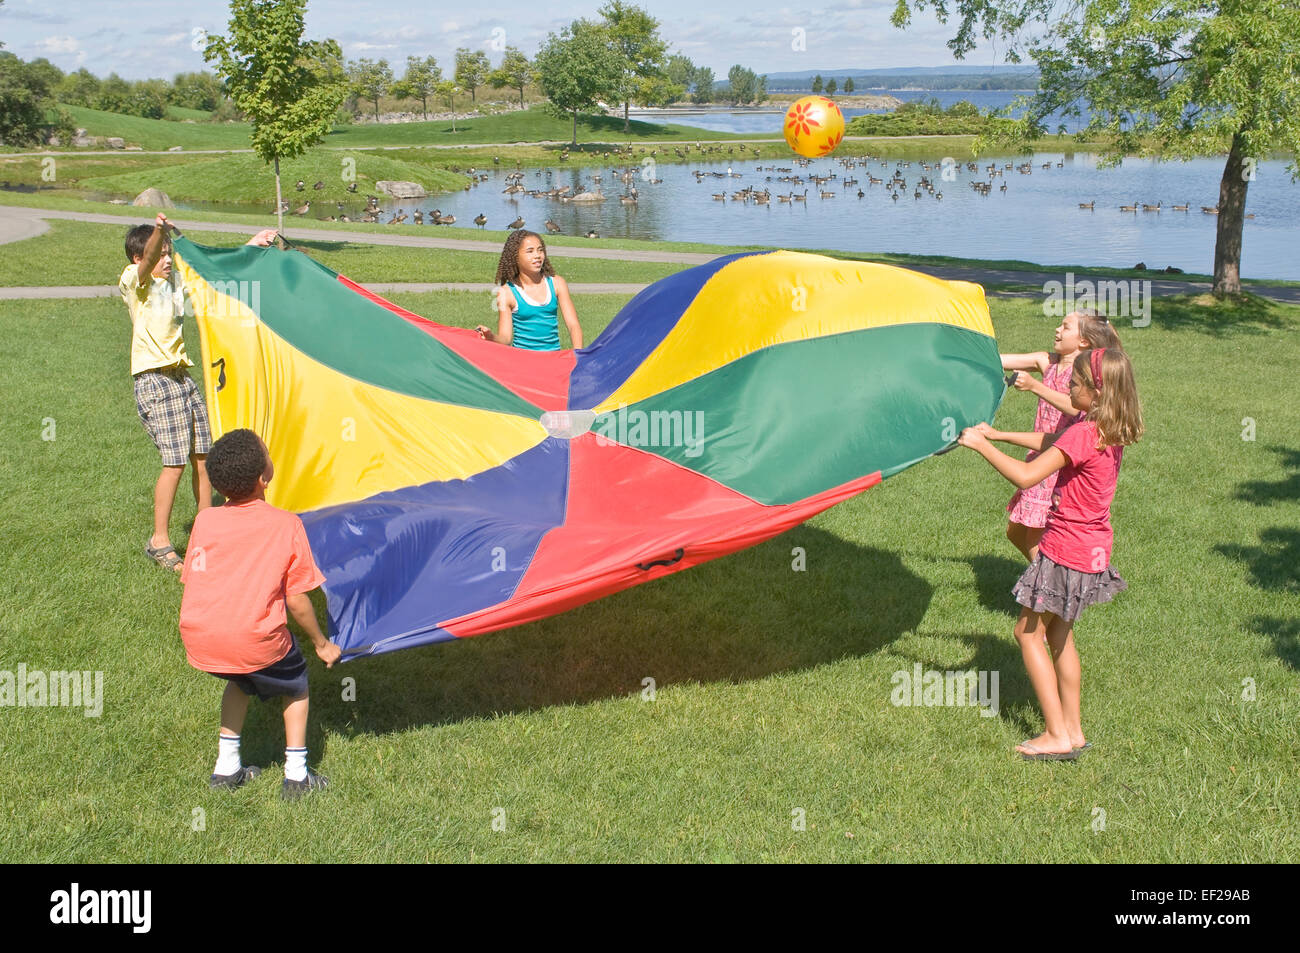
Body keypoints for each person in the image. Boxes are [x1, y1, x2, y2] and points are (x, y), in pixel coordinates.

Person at [958, 348, 1143, 760]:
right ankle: (1073, 731)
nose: (1068, 388)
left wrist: (978, 446)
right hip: (1092, 548)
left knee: (1026, 634)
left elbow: (1026, 474)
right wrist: (999, 435)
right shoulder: (1105, 427)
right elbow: (1051, 442)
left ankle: (1056, 733)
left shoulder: (1082, 432)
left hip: (1065, 549)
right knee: (1059, 635)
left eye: (1074, 384)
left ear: (1095, 393)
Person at [179, 428, 341, 799]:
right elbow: (298, 600)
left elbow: (197, 578)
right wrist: (321, 644)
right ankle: (298, 776)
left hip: (202, 638)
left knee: (240, 680)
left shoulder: (205, 521)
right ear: (263, 476)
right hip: (253, 640)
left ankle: (226, 769)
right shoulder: (286, 525)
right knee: (296, 685)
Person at [121, 214, 277, 572]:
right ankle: (159, 542)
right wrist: (159, 231)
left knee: (204, 458)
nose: (165, 258)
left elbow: (211, 270)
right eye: (160, 253)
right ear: (139, 257)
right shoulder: (135, 282)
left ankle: (206, 532)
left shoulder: (173, 283)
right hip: (155, 380)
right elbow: (146, 264)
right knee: (174, 462)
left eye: (168, 253)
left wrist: (250, 246)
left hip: (180, 377)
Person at [998, 311, 1122, 561]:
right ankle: (1046, 575)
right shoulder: (1047, 362)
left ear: (1084, 341)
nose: (1057, 330)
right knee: (1015, 532)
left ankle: (1046, 588)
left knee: (1034, 536)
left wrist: (1036, 387)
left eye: (1065, 327)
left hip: (1061, 460)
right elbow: (1000, 359)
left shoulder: (1084, 374)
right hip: (1038, 453)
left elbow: (1074, 407)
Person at [476, 230, 583, 350]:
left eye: (540, 250)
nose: (537, 255)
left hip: (554, 359)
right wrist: (490, 336)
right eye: (530, 251)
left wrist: (578, 354)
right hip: (523, 361)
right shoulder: (506, 293)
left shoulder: (557, 283)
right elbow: (505, 339)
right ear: (515, 257)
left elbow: (573, 325)